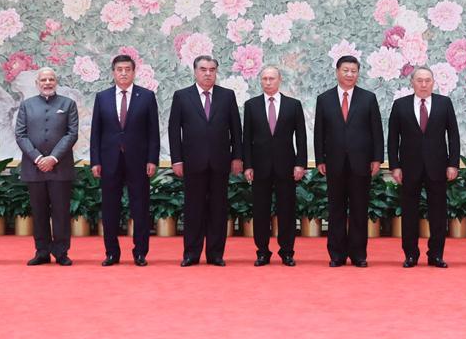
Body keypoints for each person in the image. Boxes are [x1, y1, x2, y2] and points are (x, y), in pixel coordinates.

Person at [168, 55, 242, 267]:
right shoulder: (182, 96)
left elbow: (236, 129)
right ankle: (191, 253)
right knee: (193, 209)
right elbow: (174, 131)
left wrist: (237, 156)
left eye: (212, 69)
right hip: (192, 162)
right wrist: (177, 160)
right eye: (203, 69)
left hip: (220, 162)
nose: (208, 73)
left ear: (216, 72)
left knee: (218, 209)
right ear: (195, 71)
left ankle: (215, 254)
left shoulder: (227, 96)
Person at [314, 56, 383, 267]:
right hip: (333, 163)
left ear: (358, 73)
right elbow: (319, 132)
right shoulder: (324, 99)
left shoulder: (368, 98)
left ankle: (358, 255)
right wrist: (320, 159)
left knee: (359, 209)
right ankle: (336, 255)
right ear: (337, 72)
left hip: (360, 163)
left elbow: (376, 131)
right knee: (336, 210)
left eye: (354, 71)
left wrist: (377, 159)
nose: (350, 74)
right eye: (346, 70)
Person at [90, 54, 159, 267]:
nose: (123, 73)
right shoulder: (102, 97)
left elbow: (153, 132)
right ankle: (111, 252)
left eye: (127, 69)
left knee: (140, 207)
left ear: (133, 72)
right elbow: (96, 132)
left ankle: (140, 253)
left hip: (138, 161)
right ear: (113, 72)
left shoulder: (146, 96)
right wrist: (95, 161)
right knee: (110, 208)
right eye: (119, 69)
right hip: (109, 161)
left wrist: (152, 159)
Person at [387, 67, 460, 268]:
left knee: (438, 213)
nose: (424, 84)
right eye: (420, 80)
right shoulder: (400, 105)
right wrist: (395, 166)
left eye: (428, 80)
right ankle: (410, 255)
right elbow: (393, 138)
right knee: (409, 213)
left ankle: (436, 254)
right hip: (409, 168)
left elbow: (453, 136)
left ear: (433, 82)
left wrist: (453, 163)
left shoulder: (444, 103)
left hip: (438, 167)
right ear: (412, 82)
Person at [242, 66, 307, 266]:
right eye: (264, 79)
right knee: (260, 211)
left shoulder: (293, 105)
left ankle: (287, 251)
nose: (268, 82)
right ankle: (262, 251)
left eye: (271, 78)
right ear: (260, 81)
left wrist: (300, 164)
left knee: (286, 210)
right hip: (259, 167)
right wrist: (248, 165)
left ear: (280, 80)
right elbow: (247, 139)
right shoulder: (251, 105)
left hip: (286, 166)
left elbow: (302, 138)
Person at [15, 67, 79, 266]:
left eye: (51, 79)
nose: (48, 83)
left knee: (61, 212)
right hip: (34, 168)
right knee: (39, 211)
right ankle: (41, 251)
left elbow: (72, 134)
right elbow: (21, 135)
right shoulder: (26, 105)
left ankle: (61, 252)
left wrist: (52, 158)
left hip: (60, 168)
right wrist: (37, 158)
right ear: (37, 83)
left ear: (56, 82)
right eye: (43, 79)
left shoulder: (68, 104)